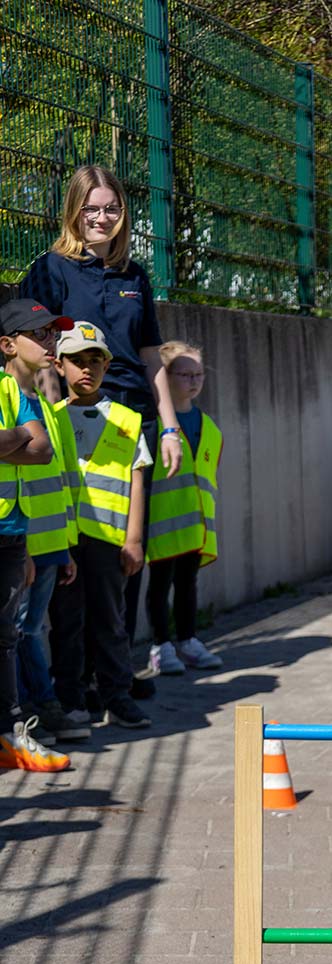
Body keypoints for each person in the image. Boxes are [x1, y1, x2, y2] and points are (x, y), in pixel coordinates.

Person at [19, 164, 183, 693]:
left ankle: (117, 670)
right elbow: (32, 346)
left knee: (124, 552)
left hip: (131, 420)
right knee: (75, 556)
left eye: (111, 208)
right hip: (74, 423)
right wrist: (50, 410)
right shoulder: (51, 269)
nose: (101, 218)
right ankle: (79, 678)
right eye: (91, 208)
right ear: (73, 211)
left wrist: (171, 428)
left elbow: (150, 354)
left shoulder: (135, 275)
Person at [49, 321, 152, 731]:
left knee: (110, 620)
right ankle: (71, 697)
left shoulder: (127, 419)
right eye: (77, 361)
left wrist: (135, 539)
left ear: (108, 366)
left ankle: (117, 695)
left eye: (96, 360)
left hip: (110, 540)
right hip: (67, 540)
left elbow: (137, 479)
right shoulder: (50, 419)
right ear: (59, 366)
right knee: (67, 622)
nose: (86, 369)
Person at [0, 300, 87, 749]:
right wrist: (21, 439)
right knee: (17, 633)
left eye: (54, 333)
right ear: (9, 344)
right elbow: (24, 450)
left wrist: (63, 546)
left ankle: (20, 720)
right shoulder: (3, 391)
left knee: (20, 633)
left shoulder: (38, 402)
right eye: (41, 333)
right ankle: (26, 717)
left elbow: (49, 460)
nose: (51, 341)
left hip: (33, 539)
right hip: (14, 537)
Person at [145, 341, 223, 676]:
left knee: (187, 582)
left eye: (198, 374)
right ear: (165, 376)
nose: (193, 381)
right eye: (184, 374)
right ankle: (160, 645)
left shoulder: (210, 428)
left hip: (195, 525)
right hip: (159, 523)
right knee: (160, 584)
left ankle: (188, 640)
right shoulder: (155, 425)